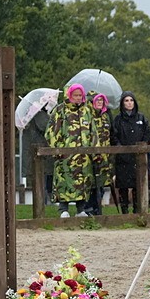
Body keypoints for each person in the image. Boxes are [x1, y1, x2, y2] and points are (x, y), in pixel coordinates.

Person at [46, 84, 96, 218]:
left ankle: (81, 209)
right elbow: (51, 132)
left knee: (83, 182)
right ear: (70, 95)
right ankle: (63, 209)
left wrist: (93, 149)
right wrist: (58, 149)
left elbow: (93, 131)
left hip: (84, 156)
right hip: (65, 156)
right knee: (64, 181)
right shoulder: (60, 110)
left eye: (80, 95)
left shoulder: (87, 111)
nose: (78, 98)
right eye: (75, 95)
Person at [111, 91, 150, 214]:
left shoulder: (141, 118)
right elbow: (114, 136)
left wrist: (143, 146)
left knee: (138, 185)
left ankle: (137, 212)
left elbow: (148, 133)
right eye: (126, 100)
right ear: (122, 103)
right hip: (123, 158)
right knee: (123, 186)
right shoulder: (118, 119)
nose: (129, 103)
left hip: (138, 158)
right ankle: (124, 212)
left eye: (131, 100)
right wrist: (120, 149)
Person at [86, 92, 113, 216]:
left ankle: (97, 209)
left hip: (105, 156)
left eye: (102, 100)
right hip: (90, 156)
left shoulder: (106, 116)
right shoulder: (88, 116)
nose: (100, 102)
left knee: (102, 184)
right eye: (97, 100)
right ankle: (89, 209)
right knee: (90, 184)